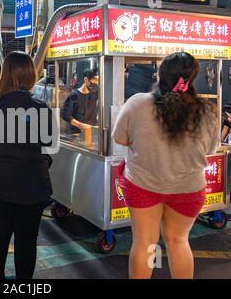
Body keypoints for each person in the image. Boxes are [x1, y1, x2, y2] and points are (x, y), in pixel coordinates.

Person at [112, 52, 219, 279]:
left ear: (161, 75)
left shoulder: (138, 103)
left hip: (143, 185)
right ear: (192, 78)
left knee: (145, 243)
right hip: (188, 188)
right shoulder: (207, 111)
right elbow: (210, 150)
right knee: (178, 241)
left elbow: (120, 139)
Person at [0, 51, 53, 279]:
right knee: (26, 239)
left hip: (0, 179)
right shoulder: (38, 106)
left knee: (1, 230)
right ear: (29, 74)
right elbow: (48, 139)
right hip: (30, 183)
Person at [61, 67, 99, 134]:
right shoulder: (74, 95)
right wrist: (80, 125)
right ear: (86, 80)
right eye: (94, 83)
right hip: (76, 134)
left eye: (97, 83)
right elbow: (65, 114)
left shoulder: (95, 93)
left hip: (92, 133)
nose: (96, 85)